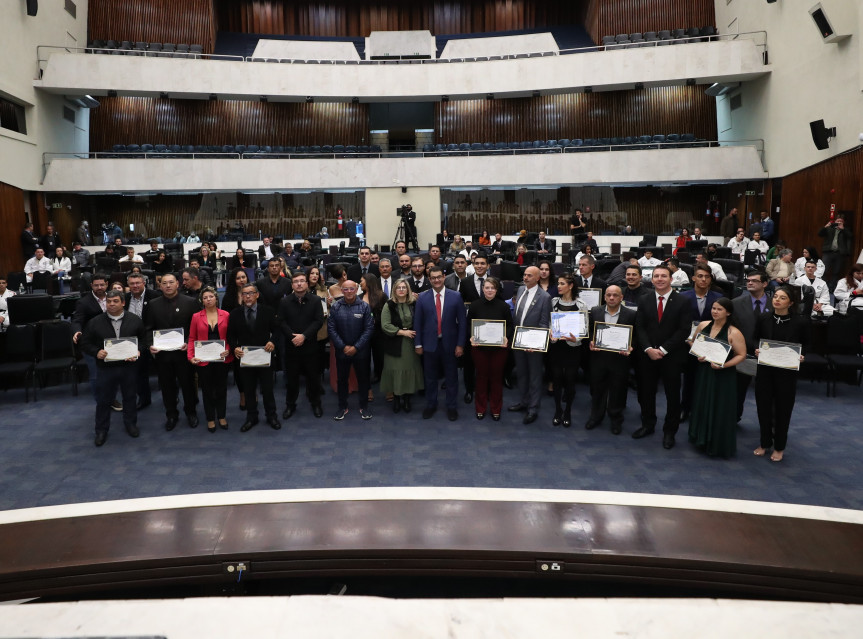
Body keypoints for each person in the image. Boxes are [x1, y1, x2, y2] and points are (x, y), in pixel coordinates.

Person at [634, 264, 691, 449]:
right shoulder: (644, 300)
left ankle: (669, 431)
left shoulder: (682, 301)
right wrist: (648, 348)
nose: (659, 279)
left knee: (672, 395)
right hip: (647, 355)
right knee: (645, 392)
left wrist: (664, 349)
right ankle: (647, 424)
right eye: (656, 276)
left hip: (672, 357)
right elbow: (640, 327)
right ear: (651, 280)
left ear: (671, 279)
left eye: (663, 276)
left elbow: (684, 330)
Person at [82, 289, 146, 447]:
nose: (111, 304)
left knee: (130, 397)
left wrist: (139, 351)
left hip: (128, 366)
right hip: (105, 368)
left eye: (115, 301)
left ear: (123, 303)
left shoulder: (135, 320)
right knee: (104, 400)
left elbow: (144, 340)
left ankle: (130, 424)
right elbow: (85, 343)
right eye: (109, 302)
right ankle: (101, 430)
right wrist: (96, 352)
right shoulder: (95, 322)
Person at [753, 286, 809, 462]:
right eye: (775, 296)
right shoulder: (764, 318)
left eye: (782, 298)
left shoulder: (800, 322)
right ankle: (764, 443)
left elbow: (808, 344)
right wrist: (756, 349)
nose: (777, 300)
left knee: (783, 410)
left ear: (790, 302)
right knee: (763, 407)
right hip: (765, 370)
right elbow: (755, 338)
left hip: (787, 372)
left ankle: (779, 446)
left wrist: (802, 355)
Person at [687, 298, 747, 458]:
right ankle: (700, 438)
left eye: (719, 309)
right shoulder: (703, 325)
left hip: (723, 375)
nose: (715, 311)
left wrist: (723, 365)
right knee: (702, 401)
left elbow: (741, 355)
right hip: (704, 371)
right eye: (713, 308)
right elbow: (693, 342)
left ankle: (716, 442)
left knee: (719, 406)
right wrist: (698, 353)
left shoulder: (734, 332)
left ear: (728, 312)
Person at [145, 273, 200, 431]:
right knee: (167, 387)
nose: (168, 286)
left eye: (171, 282)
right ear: (160, 286)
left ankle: (191, 412)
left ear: (178, 283)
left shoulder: (191, 302)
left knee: (188, 385)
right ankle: (171, 415)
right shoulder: (153, 305)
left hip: (184, 354)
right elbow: (148, 329)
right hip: (163, 355)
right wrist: (150, 345)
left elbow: (196, 328)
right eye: (164, 283)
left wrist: (189, 342)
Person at [414, 265, 467, 421]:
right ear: (429, 279)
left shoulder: (456, 296)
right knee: (430, 378)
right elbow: (417, 323)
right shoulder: (422, 297)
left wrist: (460, 344)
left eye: (439, 277)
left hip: (450, 345)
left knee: (451, 378)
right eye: (433, 278)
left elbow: (462, 323)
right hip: (429, 344)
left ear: (444, 277)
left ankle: (451, 406)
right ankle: (431, 404)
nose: (436, 280)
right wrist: (418, 344)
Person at [227, 283, 281, 431]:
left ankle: (272, 416)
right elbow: (230, 335)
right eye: (244, 294)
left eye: (251, 293)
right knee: (249, 390)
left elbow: (277, 330)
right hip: (245, 358)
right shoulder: (235, 313)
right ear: (241, 297)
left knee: (267, 389)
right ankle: (252, 417)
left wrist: (272, 341)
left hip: (265, 356)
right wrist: (234, 348)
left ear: (257, 295)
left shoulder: (268, 311)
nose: (248, 296)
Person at [586, 285, 636, 434]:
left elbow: (636, 336)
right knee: (597, 389)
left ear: (621, 297)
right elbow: (589, 331)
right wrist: (591, 341)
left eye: (615, 295)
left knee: (618, 390)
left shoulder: (631, 314)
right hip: (599, 358)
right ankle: (596, 416)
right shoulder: (595, 311)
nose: (612, 298)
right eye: (609, 295)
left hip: (620, 360)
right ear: (605, 297)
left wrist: (631, 346)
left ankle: (616, 419)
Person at [508, 266, 552, 424]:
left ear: (538, 278)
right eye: (524, 275)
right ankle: (524, 401)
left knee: (534, 376)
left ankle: (533, 408)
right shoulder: (520, 290)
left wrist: (537, 344)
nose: (525, 278)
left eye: (529, 276)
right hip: (518, 340)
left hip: (534, 343)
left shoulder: (545, 297)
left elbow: (544, 323)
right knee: (521, 373)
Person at [679, 264, 722, 421]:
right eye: (700, 276)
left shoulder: (718, 297)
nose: (703, 279)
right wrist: (688, 340)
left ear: (711, 279)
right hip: (687, 344)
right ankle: (685, 408)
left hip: (710, 344)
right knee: (689, 378)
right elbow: (679, 323)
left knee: (707, 380)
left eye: (707, 276)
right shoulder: (683, 297)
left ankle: (703, 410)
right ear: (694, 278)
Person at [278, 271, 324, 420]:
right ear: (292, 285)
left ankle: (316, 403)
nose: (299, 283)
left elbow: (318, 321)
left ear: (306, 283)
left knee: (313, 378)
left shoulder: (316, 300)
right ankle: (290, 405)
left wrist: (304, 336)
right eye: (296, 281)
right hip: (291, 347)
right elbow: (281, 322)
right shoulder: (284, 302)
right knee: (292, 380)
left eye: (302, 281)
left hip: (310, 346)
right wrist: (294, 337)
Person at [328, 279, 375, 420]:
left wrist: (356, 347)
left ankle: (364, 407)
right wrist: (343, 347)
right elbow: (331, 329)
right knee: (342, 380)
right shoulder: (336, 307)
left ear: (356, 290)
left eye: (352, 289)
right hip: (342, 351)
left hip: (361, 351)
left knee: (363, 379)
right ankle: (342, 407)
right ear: (342, 291)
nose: (349, 292)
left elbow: (369, 329)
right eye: (346, 289)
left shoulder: (365, 307)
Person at [466, 277, 512, 420]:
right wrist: (472, 336)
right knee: (481, 377)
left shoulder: (503, 306)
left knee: (496, 378)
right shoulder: (474, 305)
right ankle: (480, 407)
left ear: (496, 290)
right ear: (482, 289)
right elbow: (469, 325)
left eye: (492, 288)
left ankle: (496, 408)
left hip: (499, 349)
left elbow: (510, 325)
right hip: (479, 348)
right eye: (487, 287)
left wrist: (506, 337)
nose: (490, 290)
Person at [187, 287, 232, 432]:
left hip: (222, 358)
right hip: (203, 359)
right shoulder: (196, 317)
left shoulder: (226, 314)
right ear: (202, 300)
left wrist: (229, 349)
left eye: (211, 296)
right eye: (205, 297)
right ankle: (210, 418)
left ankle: (222, 416)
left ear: (216, 298)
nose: (208, 299)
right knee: (207, 389)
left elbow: (231, 336)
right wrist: (190, 356)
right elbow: (192, 338)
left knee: (221, 388)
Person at [548, 273, 589, 427]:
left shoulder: (581, 305)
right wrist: (551, 332)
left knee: (570, 380)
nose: (558, 286)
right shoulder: (553, 302)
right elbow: (550, 323)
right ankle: (558, 410)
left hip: (573, 348)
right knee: (557, 378)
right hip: (557, 347)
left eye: (562, 284)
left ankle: (568, 411)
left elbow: (584, 328)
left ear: (571, 286)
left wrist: (576, 338)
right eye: (558, 283)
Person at [731, 271, 772, 423]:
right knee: (738, 391)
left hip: (767, 354)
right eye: (748, 280)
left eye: (754, 281)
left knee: (767, 393)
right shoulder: (736, 303)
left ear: (765, 284)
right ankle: (734, 418)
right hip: (743, 354)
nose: (750, 283)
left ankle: (768, 425)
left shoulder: (775, 303)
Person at [380, 278, 424, 413]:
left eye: (404, 288)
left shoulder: (414, 303)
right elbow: (385, 325)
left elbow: (421, 320)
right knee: (395, 371)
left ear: (408, 290)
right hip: (394, 343)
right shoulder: (389, 305)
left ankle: (406, 399)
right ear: (394, 290)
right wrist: (401, 332)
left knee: (409, 370)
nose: (401, 290)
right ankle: (396, 399)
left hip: (411, 343)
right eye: (398, 287)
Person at [124, 272, 160, 410]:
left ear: (143, 283)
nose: (135, 286)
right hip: (134, 340)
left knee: (163, 369)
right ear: (128, 285)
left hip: (153, 337)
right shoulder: (125, 298)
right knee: (139, 372)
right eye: (132, 283)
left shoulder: (154, 296)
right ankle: (144, 399)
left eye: (138, 283)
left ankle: (171, 396)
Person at [360, 272, 386, 392]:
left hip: (378, 331)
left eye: (362, 281)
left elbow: (385, 314)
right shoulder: (359, 297)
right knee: (364, 356)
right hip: (362, 332)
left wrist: (375, 320)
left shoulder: (381, 296)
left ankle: (379, 374)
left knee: (379, 355)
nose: (360, 283)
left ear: (368, 282)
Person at [819, 216, 854, 288]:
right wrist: (825, 227)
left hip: (839, 253)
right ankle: (823, 287)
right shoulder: (829, 228)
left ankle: (831, 288)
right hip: (828, 252)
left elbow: (850, 236)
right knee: (823, 270)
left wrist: (843, 229)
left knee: (836, 272)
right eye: (837, 221)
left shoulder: (845, 230)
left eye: (841, 221)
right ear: (835, 222)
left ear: (843, 223)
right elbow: (820, 234)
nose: (839, 223)